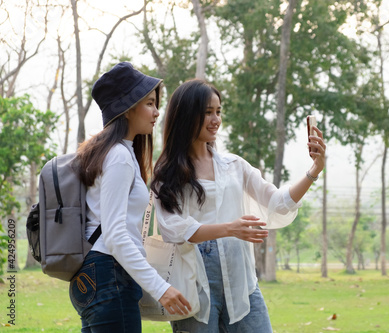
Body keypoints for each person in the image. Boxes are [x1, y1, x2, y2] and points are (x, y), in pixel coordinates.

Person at [151, 79, 326, 333]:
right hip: (194, 287)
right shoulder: (168, 174)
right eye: (207, 112)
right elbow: (173, 229)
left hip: (242, 286)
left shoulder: (234, 166)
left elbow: (277, 202)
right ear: (188, 115)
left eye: (219, 112)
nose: (216, 120)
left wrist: (314, 169)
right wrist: (230, 229)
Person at [69, 62, 191, 333]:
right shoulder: (120, 157)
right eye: (149, 103)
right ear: (126, 108)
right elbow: (115, 235)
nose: (157, 112)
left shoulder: (110, 152)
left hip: (93, 276)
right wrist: (161, 288)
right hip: (109, 276)